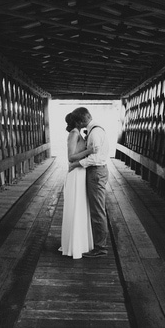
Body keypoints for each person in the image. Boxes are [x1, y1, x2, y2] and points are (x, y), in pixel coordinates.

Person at [68, 107, 109, 258]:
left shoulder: (95, 132)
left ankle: (100, 248)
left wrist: (76, 164)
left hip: (96, 172)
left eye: (78, 122)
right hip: (97, 172)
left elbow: (96, 158)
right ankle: (97, 243)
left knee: (97, 211)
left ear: (81, 121)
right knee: (96, 209)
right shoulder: (95, 130)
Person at [59, 112, 95, 259]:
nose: (87, 121)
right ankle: (74, 246)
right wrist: (89, 150)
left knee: (80, 207)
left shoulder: (79, 133)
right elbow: (70, 157)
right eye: (84, 119)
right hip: (75, 173)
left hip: (81, 171)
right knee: (75, 207)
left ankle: (80, 244)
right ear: (78, 122)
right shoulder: (74, 134)